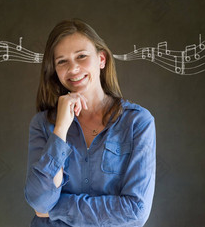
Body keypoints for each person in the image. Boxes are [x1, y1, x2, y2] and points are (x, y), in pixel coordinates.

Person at [24, 18, 156, 227]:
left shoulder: (137, 122)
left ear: (101, 59)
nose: (73, 68)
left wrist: (54, 209)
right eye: (62, 61)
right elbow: (40, 199)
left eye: (81, 56)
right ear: (55, 70)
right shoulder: (42, 124)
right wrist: (60, 129)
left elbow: (136, 211)